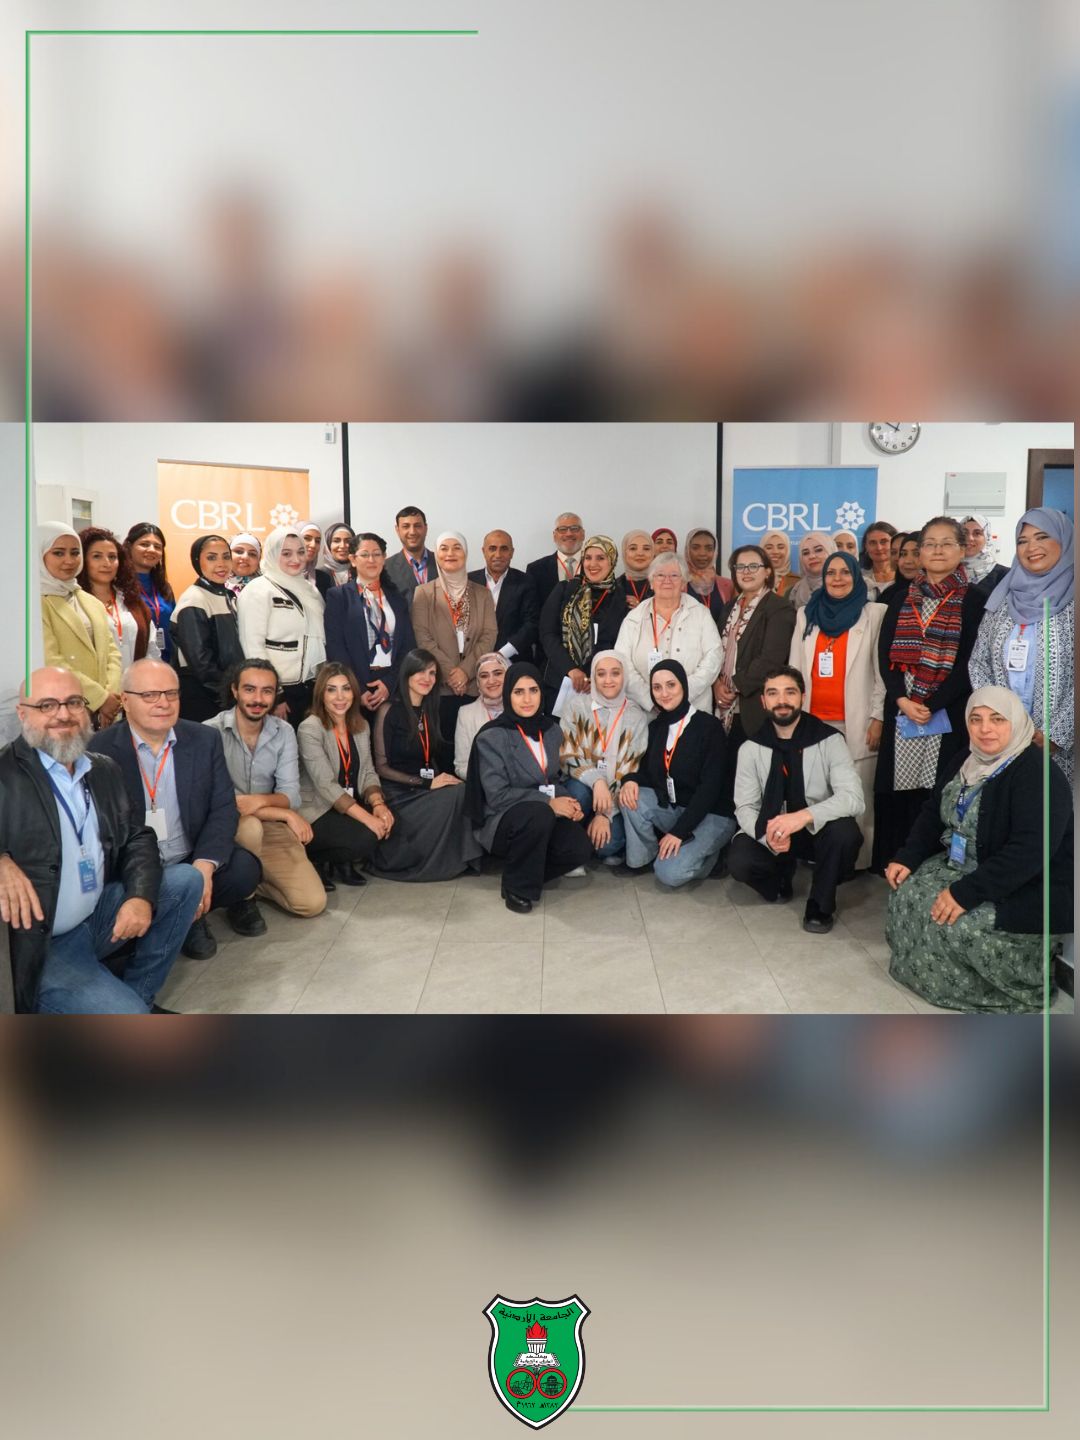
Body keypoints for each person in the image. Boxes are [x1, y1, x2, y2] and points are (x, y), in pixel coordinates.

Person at [0, 666, 202, 1013]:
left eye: (73, 702)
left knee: (186, 880)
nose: (63, 714)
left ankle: (138, 997)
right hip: (42, 944)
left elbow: (137, 837)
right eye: (47, 705)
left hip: (96, 917)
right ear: (23, 713)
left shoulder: (102, 768)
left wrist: (140, 896)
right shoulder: (5, 774)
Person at [885, 686, 1073, 1012]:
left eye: (997, 719)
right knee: (907, 890)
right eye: (976, 719)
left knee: (961, 922)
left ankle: (992, 991)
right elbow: (932, 812)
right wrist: (907, 856)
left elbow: (1030, 851)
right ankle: (926, 975)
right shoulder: (966, 758)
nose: (985, 729)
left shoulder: (1039, 774)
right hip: (967, 864)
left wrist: (965, 893)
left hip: (1024, 885)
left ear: (1016, 722)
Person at [88, 658, 265, 960]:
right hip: (134, 867)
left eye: (171, 693)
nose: (164, 703)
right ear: (126, 701)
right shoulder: (98, 750)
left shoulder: (204, 739)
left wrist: (203, 868)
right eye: (150, 695)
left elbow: (223, 807)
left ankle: (190, 914)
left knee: (244, 870)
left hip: (187, 855)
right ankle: (169, 916)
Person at [873, 516, 986, 872]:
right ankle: (893, 863)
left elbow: (971, 661)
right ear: (919, 552)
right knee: (897, 790)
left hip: (947, 709)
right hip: (902, 706)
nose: (937, 550)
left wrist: (930, 703)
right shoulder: (901, 597)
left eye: (946, 543)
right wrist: (902, 700)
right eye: (930, 544)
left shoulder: (975, 600)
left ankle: (927, 866)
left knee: (936, 788)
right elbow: (884, 653)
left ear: (962, 550)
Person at [729, 666, 864, 933]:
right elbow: (745, 807)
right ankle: (779, 879)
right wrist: (768, 837)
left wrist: (801, 817)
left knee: (846, 834)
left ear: (802, 696)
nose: (782, 700)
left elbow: (853, 798)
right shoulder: (750, 748)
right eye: (773, 693)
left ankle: (820, 903)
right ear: (763, 701)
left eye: (789, 692)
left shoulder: (830, 740)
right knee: (739, 859)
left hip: (816, 830)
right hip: (774, 830)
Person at [466, 661, 592, 912]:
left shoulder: (551, 730)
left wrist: (569, 802)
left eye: (533, 690)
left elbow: (553, 779)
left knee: (580, 848)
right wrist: (549, 803)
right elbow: (497, 795)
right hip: (502, 818)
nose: (527, 699)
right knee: (539, 813)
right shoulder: (492, 736)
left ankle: (523, 871)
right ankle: (517, 887)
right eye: (518, 692)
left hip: (542, 814)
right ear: (508, 695)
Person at [204, 658, 327, 918]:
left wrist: (261, 803)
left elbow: (290, 795)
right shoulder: (210, 732)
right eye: (250, 689)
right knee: (249, 827)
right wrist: (284, 814)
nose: (258, 699)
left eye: (267, 691)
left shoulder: (283, 732)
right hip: (225, 830)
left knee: (312, 903)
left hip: (270, 829)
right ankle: (242, 899)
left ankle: (253, 881)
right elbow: (221, 804)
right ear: (235, 690)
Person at [788, 550, 886, 869]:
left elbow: (881, 674)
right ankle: (819, 856)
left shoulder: (874, 614)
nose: (837, 578)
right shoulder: (806, 614)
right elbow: (795, 668)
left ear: (856, 577)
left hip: (856, 721)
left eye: (845, 572)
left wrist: (878, 717)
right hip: (813, 721)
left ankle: (854, 863)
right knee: (816, 791)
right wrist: (793, 717)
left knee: (857, 794)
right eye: (831, 572)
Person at [969, 507, 1074, 781]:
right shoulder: (1004, 599)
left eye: (1042, 537)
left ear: (1065, 540)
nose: (1031, 547)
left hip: (1060, 747)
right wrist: (997, 719)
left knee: (1055, 804)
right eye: (1023, 540)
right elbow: (979, 662)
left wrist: (1057, 734)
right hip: (1004, 741)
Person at [619, 659, 737, 887]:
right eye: (657, 687)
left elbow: (710, 788)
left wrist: (679, 832)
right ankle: (645, 859)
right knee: (629, 797)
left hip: (713, 814)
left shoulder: (709, 727)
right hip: (678, 808)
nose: (664, 693)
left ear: (683, 685)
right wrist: (630, 780)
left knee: (669, 874)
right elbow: (647, 772)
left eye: (671, 685)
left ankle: (713, 857)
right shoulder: (656, 727)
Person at [371, 649, 483, 881]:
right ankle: (447, 862)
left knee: (461, 789)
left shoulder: (429, 710)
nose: (427, 678)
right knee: (457, 793)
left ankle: (465, 859)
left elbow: (428, 756)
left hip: (424, 786)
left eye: (432, 673)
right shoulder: (388, 710)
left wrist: (440, 780)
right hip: (398, 792)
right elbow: (381, 767)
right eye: (420, 672)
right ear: (407, 675)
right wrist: (426, 783)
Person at [297, 662, 395, 890]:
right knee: (367, 834)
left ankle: (340, 861)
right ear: (321, 694)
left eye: (346, 689)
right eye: (331, 690)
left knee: (389, 819)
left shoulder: (361, 725)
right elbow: (326, 785)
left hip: (348, 801)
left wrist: (378, 805)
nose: (340, 697)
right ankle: (315, 859)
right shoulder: (310, 728)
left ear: (354, 692)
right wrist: (368, 818)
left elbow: (368, 771)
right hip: (318, 808)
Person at [559, 650, 649, 863]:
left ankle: (584, 839)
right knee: (577, 793)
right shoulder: (576, 706)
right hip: (583, 786)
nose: (608, 680)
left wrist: (604, 814)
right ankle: (570, 843)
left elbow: (630, 769)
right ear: (593, 676)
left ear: (624, 676)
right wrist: (597, 781)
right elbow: (568, 755)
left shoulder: (636, 716)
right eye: (601, 674)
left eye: (615, 673)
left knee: (607, 845)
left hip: (614, 797)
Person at [713, 546, 797, 769]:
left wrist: (734, 686)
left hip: (755, 710)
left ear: (767, 571)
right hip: (723, 708)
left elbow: (771, 659)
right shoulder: (729, 608)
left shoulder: (779, 607)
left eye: (753, 566)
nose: (746, 571)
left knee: (755, 776)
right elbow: (716, 652)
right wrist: (716, 684)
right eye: (740, 566)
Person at [237, 526, 327, 727]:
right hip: (280, 692)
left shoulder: (309, 590)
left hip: (311, 688)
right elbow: (253, 647)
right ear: (272, 553)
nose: (296, 559)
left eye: (300, 552)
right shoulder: (258, 590)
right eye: (286, 553)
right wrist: (274, 694)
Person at [411, 531, 498, 733]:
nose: (450, 553)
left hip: (474, 688)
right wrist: (452, 674)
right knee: (441, 744)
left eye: (457, 548)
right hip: (438, 688)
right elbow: (423, 638)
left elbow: (489, 635)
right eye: (444, 548)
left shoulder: (483, 594)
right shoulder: (423, 593)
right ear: (436, 554)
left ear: (465, 554)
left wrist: (465, 672)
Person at [616, 552, 721, 716]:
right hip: (646, 712)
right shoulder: (634, 618)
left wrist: (683, 693)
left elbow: (714, 656)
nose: (667, 580)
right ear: (651, 582)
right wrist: (651, 699)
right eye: (660, 575)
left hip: (693, 707)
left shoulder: (701, 614)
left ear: (684, 583)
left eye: (674, 575)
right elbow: (622, 662)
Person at [39, 523, 123, 729]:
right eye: (59, 553)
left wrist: (110, 697)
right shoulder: (34, 603)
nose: (69, 560)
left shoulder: (89, 601)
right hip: (62, 709)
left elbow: (112, 654)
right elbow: (51, 660)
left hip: (104, 713)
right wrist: (99, 698)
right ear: (39, 555)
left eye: (75, 553)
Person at [324, 530, 416, 713]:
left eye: (376, 554)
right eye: (364, 555)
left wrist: (389, 683)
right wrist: (358, 687)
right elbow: (335, 647)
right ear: (352, 559)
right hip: (355, 687)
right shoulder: (339, 596)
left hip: (392, 686)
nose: (371, 560)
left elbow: (408, 645)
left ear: (384, 558)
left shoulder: (397, 598)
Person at [538, 534, 628, 707]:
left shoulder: (621, 598)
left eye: (600, 558)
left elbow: (620, 644)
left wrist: (595, 674)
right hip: (561, 681)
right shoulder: (565, 589)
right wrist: (571, 669)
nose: (592, 564)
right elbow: (547, 634)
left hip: (603, 684)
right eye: (588, 558)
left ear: (612, 561)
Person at [170, 534, 245, 721]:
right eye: (211, 558)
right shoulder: (194, 600)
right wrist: (230, 696)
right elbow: (201, 664)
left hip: (227, 694)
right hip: (204, 698)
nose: (221, 564)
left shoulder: (228, 596)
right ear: (197, 562)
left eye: (226, 556)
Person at [77, 526, 154, 671]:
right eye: (97, 556)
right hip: (95, 683)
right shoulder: (75, 603)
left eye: (112, 557)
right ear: (82, 560)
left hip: (135, 682)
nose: (107, 563)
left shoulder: (132, 601)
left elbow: (151, 649)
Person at [468, 528, 539, 662]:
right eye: (492, 548)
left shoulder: (526, 581)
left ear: (512, 552)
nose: (498, 554)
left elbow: (531, 624)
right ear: (483, 551)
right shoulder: (469, 581)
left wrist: (502, 654)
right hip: (474, 660)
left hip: (514, 660)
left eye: (504, 549)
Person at [125, 522, 176, 664]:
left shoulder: (164, 587)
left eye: (157, 547)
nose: (152, 550)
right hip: (134, 663)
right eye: (144, 544)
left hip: (167, 663)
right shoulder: (119, 586)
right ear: (129, 547)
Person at [454, 651, 510, 779]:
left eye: (498, 673)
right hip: (483, 786)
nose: (491, 680)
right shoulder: (466, 713)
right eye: (484, 676)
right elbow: (461, 766)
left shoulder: (523, 708)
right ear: (478, 683)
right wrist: (493, 780)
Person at [525, 512, 586, 607]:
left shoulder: (597, 567)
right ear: (554, 535)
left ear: (583, 534)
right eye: (563, 529)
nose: (569, 533)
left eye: (574, 528)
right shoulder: (535, 569)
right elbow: (532, 608)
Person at [383, 504, 437, 595]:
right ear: (397, 530)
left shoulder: (442, 562)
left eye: (417, 526)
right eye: (406, 526)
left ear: (426, 528)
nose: (412, 532)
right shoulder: (385, 568)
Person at [684, 527, 735, 620]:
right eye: (695, 548)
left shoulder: (728, 585)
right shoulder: (677, 583)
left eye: (709, 548)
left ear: (715, 551)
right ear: (687, 550)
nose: (702, 553)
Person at [960, 512, 1008, 592]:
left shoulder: (1004, 575)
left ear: (987, 538)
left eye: (977, 533)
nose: (970, 538)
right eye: (965, 533)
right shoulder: (949, 573)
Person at [788, 531, 837, 608]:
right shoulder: (795, 590)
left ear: (831, 551)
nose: (812, 556)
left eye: (818, 550)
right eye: (806, 553)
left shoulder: (844, 585)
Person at [877, 532, 922, 606]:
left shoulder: (935, 595)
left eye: (916, 554)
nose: (907, 561)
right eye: (903, 554)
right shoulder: (890, 594)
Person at [315, 522, 356, 599]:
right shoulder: (317, 576)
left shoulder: (361, 574)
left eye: (348, 541)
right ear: (328, 545)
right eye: (336, 541)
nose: (342, 546)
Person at [617, 529, 654, 610]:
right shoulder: (614, 588)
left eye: (646, 549)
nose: (640, 553)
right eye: (633, 548)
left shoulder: (663, 584)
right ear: (624, 552)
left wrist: (641, 609)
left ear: (652, 553)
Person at [860, 521, 898, 597]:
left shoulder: (906, 574)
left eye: (884, 542)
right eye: (873, 543)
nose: (879, 548)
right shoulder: (859, 577)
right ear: (866, 546)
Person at [761, 529, 799, 599]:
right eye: (769, 548)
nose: (775, 552)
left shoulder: (797, 582)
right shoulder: (753, 580)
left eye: (780, 547)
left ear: (787, 551)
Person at [225, 532, 261, 597]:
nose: (245, 557)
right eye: (239, 551)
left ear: (258, 560)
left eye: (252, 554)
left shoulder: (268, 588)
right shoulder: (214, 586)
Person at [299, 522, 324, 589]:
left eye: (317, 541)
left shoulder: (323, 578)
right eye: (307, 538)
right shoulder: (281, 577)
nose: (313, 545)